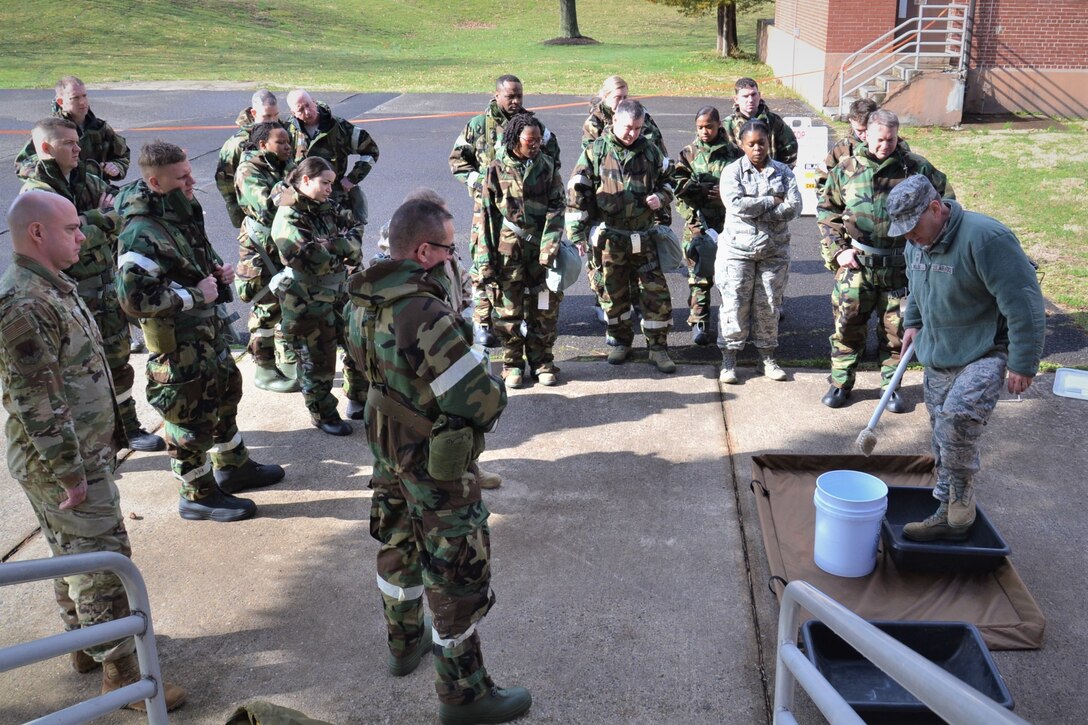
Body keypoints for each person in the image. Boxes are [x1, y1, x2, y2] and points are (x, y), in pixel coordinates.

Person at [0, 191, 186, 711]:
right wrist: (71, 474)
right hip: (64, 461)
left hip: (74, 453)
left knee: (69, 552)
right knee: (101, 562)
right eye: (72, 228)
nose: (84, 236)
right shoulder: (25, 302)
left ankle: (85, 645)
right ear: (37, 233)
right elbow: (38, 399)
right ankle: (122, 674)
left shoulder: (50, 285)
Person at [352, 197, 531, 724]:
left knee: (399, 545)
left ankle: (403, 644)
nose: (457, 258)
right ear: (425, 251)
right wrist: (489, 375)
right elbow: (479, 398)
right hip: (434, 464)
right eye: (451, 249)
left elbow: (358, 370)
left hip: (389, 452)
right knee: (456, 578)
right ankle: (465, 697)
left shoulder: (362, 298)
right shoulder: (424, 311)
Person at [117, 141, 284, 522]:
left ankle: (233, 466)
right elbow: (133, 298)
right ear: (156, 182)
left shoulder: (180, 210)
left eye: (190, 171)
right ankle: (198, 494)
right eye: (182, 176)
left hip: (205, 335)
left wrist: (217, 274)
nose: (193, 180)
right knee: (188, 415)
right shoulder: (141, 231)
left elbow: (192, 260)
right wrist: (195, 295)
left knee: (224, 397)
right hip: (178, 347)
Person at [887, 175, 1046, 540]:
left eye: (913, 227)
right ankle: (946, 502)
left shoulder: (986, 238)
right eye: (904, 232)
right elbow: (917, 288)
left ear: (935, 207)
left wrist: (1023, 362)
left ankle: (956, 506)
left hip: (986, 348)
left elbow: (1024, 303)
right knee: (941, 436)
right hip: (940, 350)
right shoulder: (917, 245)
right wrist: (913, 322)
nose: (910, 237)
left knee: (957, 422)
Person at [19, 118, 164, 452]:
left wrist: (87, 221)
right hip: (69, 293)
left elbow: (123, 212)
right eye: (69, 143)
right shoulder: (37, 194)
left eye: (77, 141)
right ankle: (89, 443)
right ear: (46, 148)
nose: (78, 148)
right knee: (79, 372)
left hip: (105, 286)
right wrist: (98, 219)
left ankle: (128, 428)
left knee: (118, 359)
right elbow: (67, 244)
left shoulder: (86, 177)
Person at [817, 109, 952, 410]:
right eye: (880, 139)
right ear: (866, 134)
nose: (885, 146)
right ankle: (840, 383)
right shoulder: (847, 168)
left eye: (891, 140)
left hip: (901, 268)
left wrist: (928, 250)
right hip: (857, 265)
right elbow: (827, 213)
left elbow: (945, 207)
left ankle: (891, 387)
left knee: (897, 332)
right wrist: (837, 251)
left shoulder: (916, 169)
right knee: (847, 326)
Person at [449, 74, 561, 348]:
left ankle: (520, 316)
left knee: (523, 264)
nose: (516, 101)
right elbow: (457, 160)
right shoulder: (478, 126)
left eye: (519, 96)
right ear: (496, 95)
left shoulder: (533, 126)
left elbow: (553, 155)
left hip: (525, 209)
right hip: (487, 207)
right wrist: (479, 182)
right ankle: (484, 321)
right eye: (510, 96)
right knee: (485, 262)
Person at [567, 99, 677, 373]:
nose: (633, 134)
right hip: (611, 239)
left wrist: (661, 197)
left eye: (638, 128)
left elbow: (671, 179)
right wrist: (578, 234)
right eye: (628, 128)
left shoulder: (650, 151)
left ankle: (658, 348)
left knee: (655, 293)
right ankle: (620, 342)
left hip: (644, 237)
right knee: (613, 293)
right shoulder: (595, 151)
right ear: (615, 122)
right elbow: (577, 191)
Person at [271, 156, 362, 436]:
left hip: (337, 292)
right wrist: (340, 248)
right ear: (306, 180)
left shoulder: (327, 207)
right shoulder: (289, 214)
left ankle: (358, 398)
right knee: (317, 360)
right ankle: (323, 414)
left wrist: (335, 246)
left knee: (357, 345)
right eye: (324, 183)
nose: (329, 189)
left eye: (332, 184)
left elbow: (356, 236)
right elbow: (309, 257)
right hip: (306, 299)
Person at [480, 111, 566, 388]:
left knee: (544, 309)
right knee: (508, 311)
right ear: (515, 138)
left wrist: (549, 247)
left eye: (539, 140)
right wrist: (485, 258)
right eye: (531, 140)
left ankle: (543, 362)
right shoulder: (495, 169)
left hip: (542, 252)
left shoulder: (549, 166)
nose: (536, 144)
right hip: (508, 252)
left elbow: (557, 207)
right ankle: (512, 364)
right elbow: (484, 217)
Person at [580, 75, 672, 327]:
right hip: (609, 212)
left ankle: (640, 308)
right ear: (606, 97)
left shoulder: (643, 121)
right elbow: (588, 175)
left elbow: (664, 164)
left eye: (625, 96)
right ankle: (611, 313)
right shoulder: (596, 131)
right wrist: (582, 226)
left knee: (646, 273)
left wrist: (661, 201)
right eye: (617, 97)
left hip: (642, 208)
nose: (622, 100)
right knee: (609, 273)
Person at [715, 119, 802, 384]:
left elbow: (795, 207)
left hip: (773, 251)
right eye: (751, 144)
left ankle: (767, 358)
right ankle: (729, 360)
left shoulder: (783, 172)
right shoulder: (732, 172)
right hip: (737, 251)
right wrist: (771, 201)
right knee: (734, 304)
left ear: (769, 143)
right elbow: (736, 204)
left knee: (769, 304)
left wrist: (758, 208)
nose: (757, 149)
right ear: (741, 145)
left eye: (761, 143)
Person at [234, 122, 299, 393]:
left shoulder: (283, 164)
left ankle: (283, 364)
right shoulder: (249, 170)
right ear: (263, 145)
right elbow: (266, 207)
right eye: (280, 142)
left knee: (284, 305)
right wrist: (291, 190)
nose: (287, 147)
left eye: (288, 142)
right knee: (265, 308)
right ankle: (263, 369)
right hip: (260, 253)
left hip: (280, 247)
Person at [672, 106, 742, 345]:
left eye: (709, 126)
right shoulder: (689, 154)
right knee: (699, 277)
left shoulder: (734, 154)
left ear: (718, 125)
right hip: (697, 226)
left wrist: (724, 196)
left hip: (727, 226)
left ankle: (730, 324)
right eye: (700, 127)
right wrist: (698, 193)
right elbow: (677, 188)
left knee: (730, 277)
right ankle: (700, 322)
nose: (704, 131)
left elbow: (743, 185)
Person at [286, 89, 379, 229]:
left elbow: (371, 150)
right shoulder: (289, 131)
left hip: (335, 203)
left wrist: (353, 178)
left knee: (344, 244)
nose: (307, 112)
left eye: (308, 105)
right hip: (304, 206)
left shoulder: (339, 127)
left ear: (315, 102)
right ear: (293, 113)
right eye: (300, 110)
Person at [15, 76, 130, 182]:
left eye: (84, 96)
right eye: (75, 98)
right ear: (61, 102)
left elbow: (123, 154)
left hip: (97, 191)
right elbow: (23, 164)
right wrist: (52, 179)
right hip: (65, 195)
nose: (82, 102)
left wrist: (116, 167)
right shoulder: (52, 130)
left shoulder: (100, 128)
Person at [216, 89, 291, 229]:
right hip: (256, 212)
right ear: (254, 113)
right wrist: (239, 214)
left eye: (275, 115)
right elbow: (225, 181)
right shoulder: (237, 144)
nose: (272, 120)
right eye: (267, 116)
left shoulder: (281, 133)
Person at [722, 78, 798, 167]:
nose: (750, 100)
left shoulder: (774, 121)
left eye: (753, 95)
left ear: (759, 95)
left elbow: (790, 148)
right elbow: (722, 156)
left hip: (771, 177)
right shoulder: (727, 125)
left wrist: (781, 172)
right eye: (745, 96)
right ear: (736, 99)